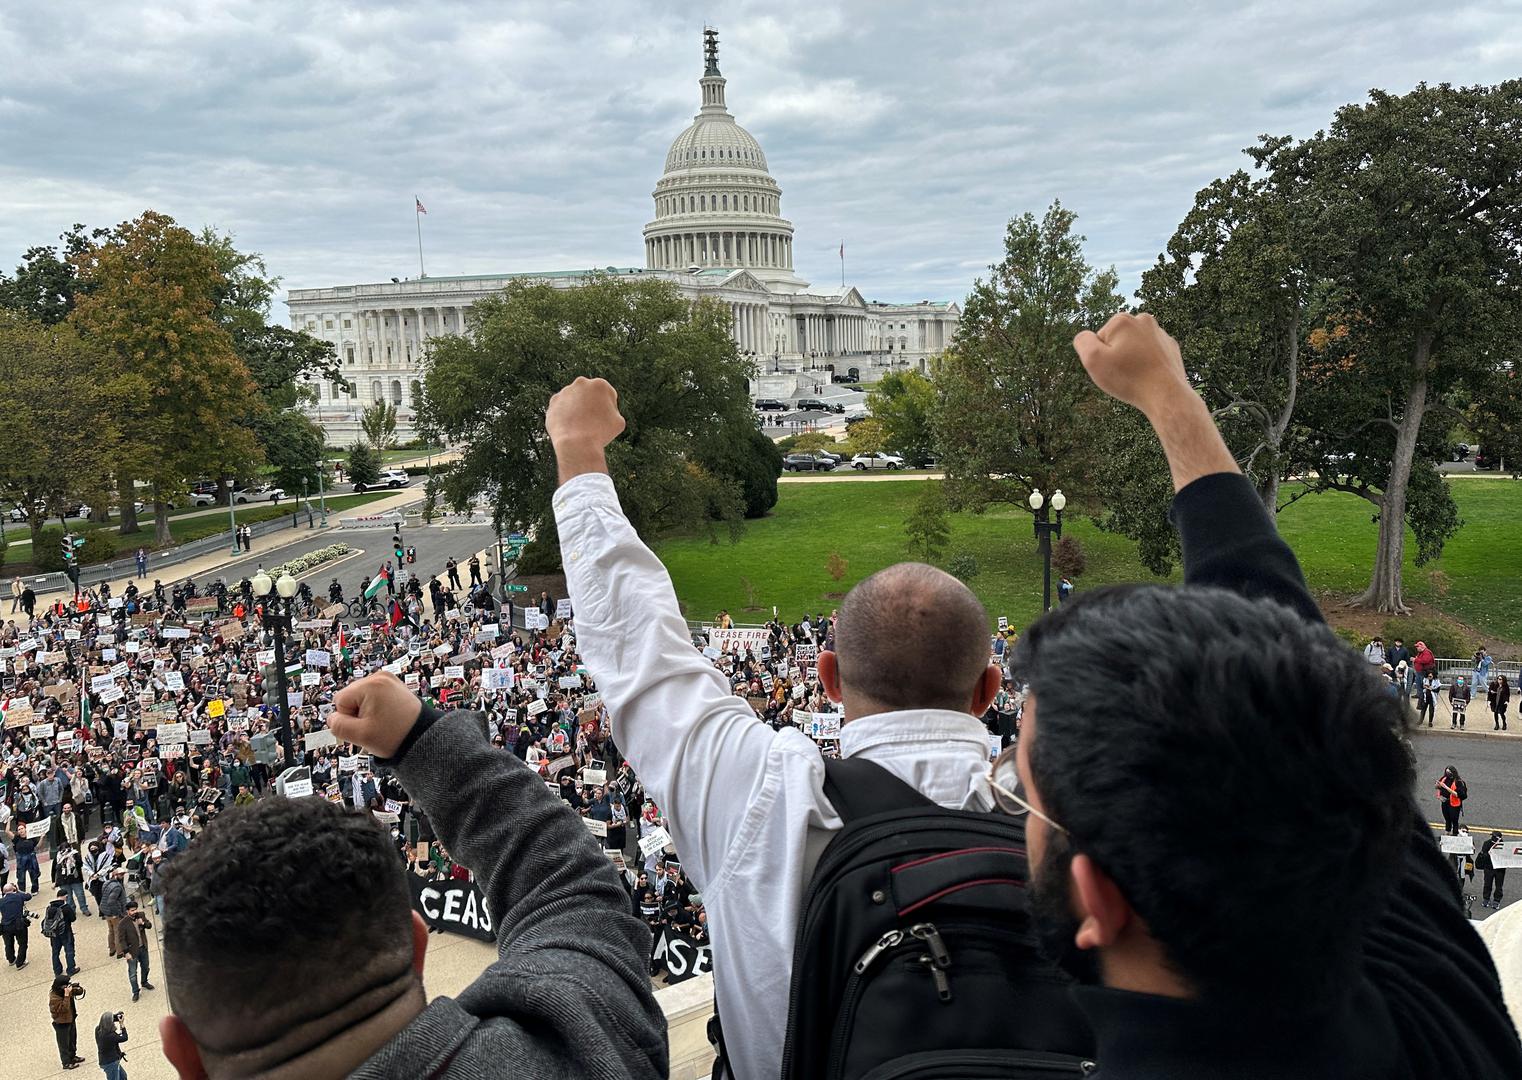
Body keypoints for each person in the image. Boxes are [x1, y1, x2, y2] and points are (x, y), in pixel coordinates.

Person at [984, 311, 1521, 1077]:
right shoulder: (1441, 1004)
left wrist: (1168, 396)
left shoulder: (1432, 976)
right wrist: (1170, 396)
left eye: (1022, 793)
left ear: (1100, 899)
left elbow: (1284, 642)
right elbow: (1278, 643)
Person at [547, 376, 1086, 1079]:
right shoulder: (1074, 809)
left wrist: (580, 451)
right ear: (988, 690)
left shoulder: (760, 793)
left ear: (827, 679)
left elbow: (636, 642)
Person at [156, 672, 668, 1080]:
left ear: (183, 1055)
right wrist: (420, 738)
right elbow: (567, 890)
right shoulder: (583, 1042)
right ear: (416, 943)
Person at [115, 898, 153, 1002]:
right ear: (127, 911)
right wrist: (126, 952)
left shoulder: (141, 915)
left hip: (143, 948)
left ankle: (144, 982)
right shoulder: (123, 923)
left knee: (146, 967)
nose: (134, 912)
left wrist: (143, 923)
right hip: (132, 951)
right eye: (132, 910)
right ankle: (135, 992)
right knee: (132, 973)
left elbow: (149, 926)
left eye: (135, 909)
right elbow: (121, 939)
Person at [50, 973, 87, 1069]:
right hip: (61, 1023)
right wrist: (67, 995)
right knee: (64, 1045)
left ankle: (72, 1056)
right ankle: (66, 1063)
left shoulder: (64, 990)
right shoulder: (54, 997)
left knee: (72, 1040)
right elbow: (64, 1009)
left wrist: (76, 987)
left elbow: (79, 992)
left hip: (71, 1019)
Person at [43, 887, 80, 977]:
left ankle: (57, 971)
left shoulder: (49, 907)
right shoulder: (66, 907)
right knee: (69, 950)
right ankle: (71, 969)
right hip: (66, 932)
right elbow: (73, 919)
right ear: (65, 896)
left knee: (55, 952)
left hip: (53, 934)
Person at [2, 882, 31, 967]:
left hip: (5, 925)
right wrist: (18, 891)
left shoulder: (1, 901)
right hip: (19, 924)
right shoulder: (19, 896)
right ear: (14, 889)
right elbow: (29, 896)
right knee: (22, 943)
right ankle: (20, 962)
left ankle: (11, 959)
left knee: (8, 943)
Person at [1479, 831, 1508, 910]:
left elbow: (1506, 856)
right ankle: (1486, 899)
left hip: (1499, 869)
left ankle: (1496, 900)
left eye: (1495, 837)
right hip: (1489, 868)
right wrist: (1488, 854)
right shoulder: (1487, 843)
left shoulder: (1504, 845)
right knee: (1487, 884)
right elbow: (1483, 855)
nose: (1493, 838)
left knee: (1499, 886)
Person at [95, 1011, 128, 1080]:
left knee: (123, 1077)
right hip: (111, 1063)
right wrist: (121, 1023)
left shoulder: (98, 1030)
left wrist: (116, 1017)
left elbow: (106, 1022)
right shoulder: (111, 1036)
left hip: (106, 1060)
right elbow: (124, 1037)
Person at [1436, 765, 1468, 836]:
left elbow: (1458, 794)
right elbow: (1438, 788)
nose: (1447, 773)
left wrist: (1446, 787)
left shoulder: (1458, 782)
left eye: (1449, 772)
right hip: (1445, 802)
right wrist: (1438, 786)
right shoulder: (1444, 778)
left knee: (1454, 820)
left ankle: (1455, 833)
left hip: (1454, 804)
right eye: (1446, 772)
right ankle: (1447, 832)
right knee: (1447, 819)